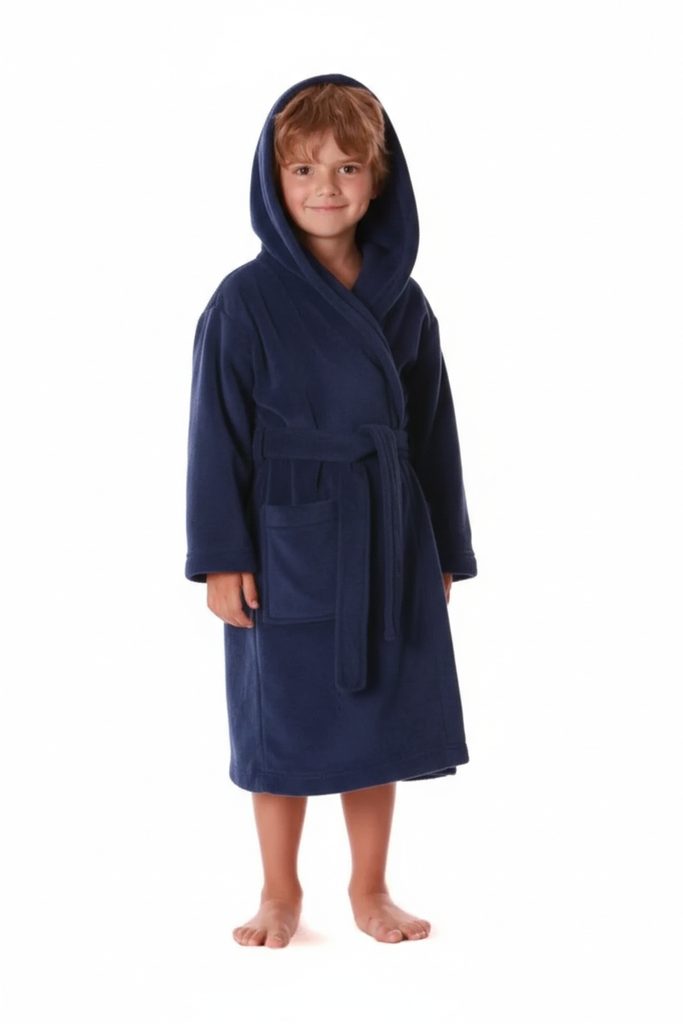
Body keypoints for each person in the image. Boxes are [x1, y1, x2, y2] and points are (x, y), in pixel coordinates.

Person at [184, 73, 478, 947]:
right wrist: (221, 555)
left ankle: (369, 887)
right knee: (280, 719)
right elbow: (213, 435)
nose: (326, 187)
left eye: (348, 168)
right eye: (304, 169)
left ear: (378, 181)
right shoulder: (244, 300)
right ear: (273, 179)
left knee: (373, 712)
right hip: (283, 538)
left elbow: (432, 429)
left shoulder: (403, 300)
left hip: (386, 531)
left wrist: (444, 549)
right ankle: (279, 891)